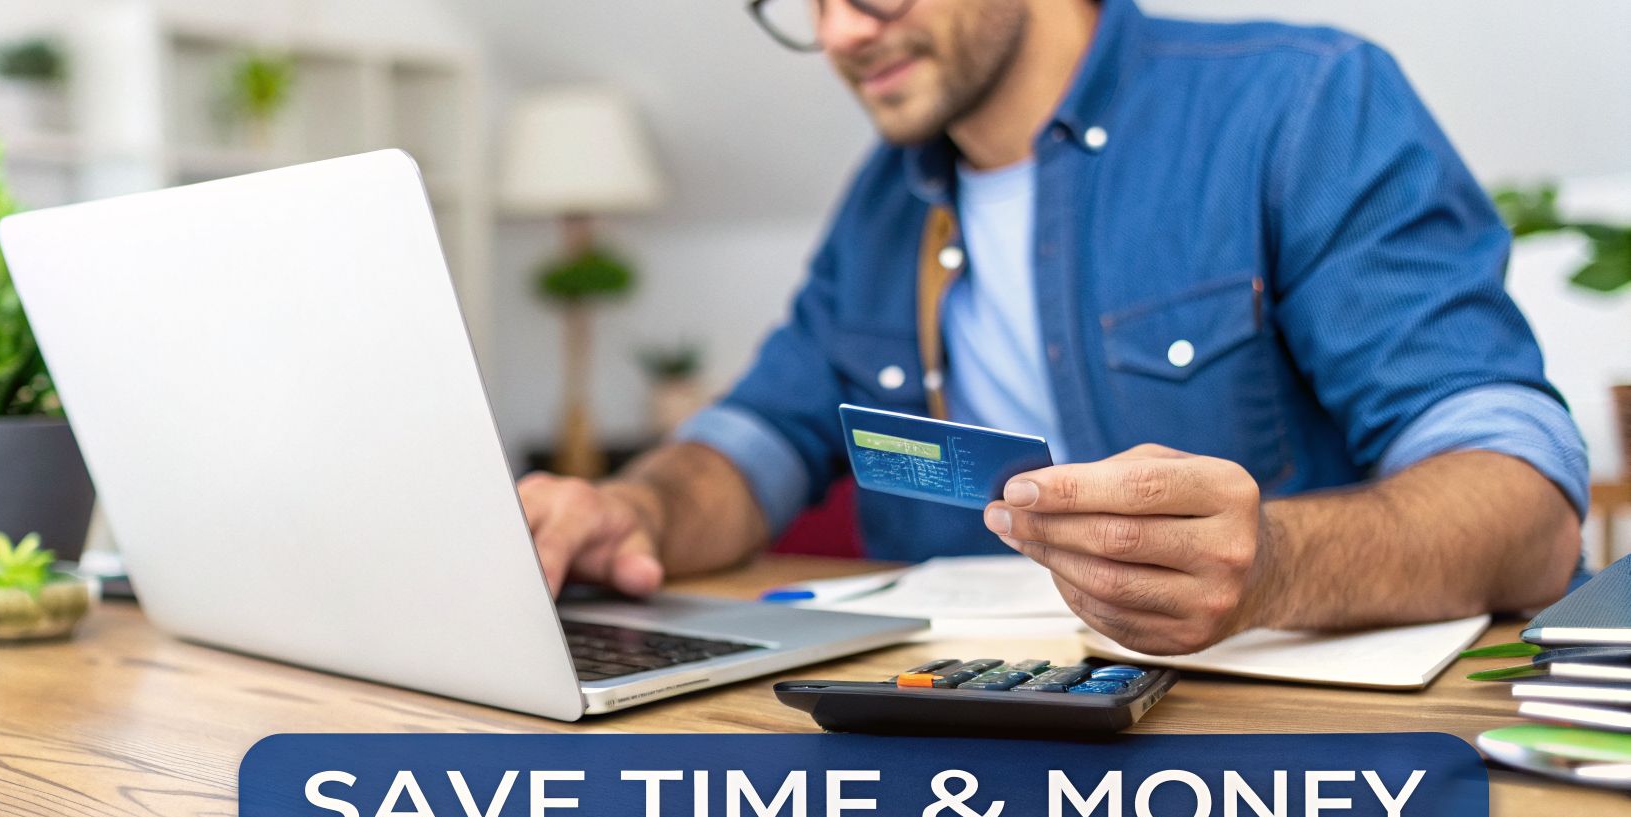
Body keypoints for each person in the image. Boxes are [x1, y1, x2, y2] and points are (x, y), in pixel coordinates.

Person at [518, 0, 1588, 655]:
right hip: (953, 762)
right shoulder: (878, 204)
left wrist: (1274, 565)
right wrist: (629, 511)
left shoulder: (1303, 103)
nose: (838, 31)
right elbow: (753, 444)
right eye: (808, 0)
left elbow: (1523, 505)